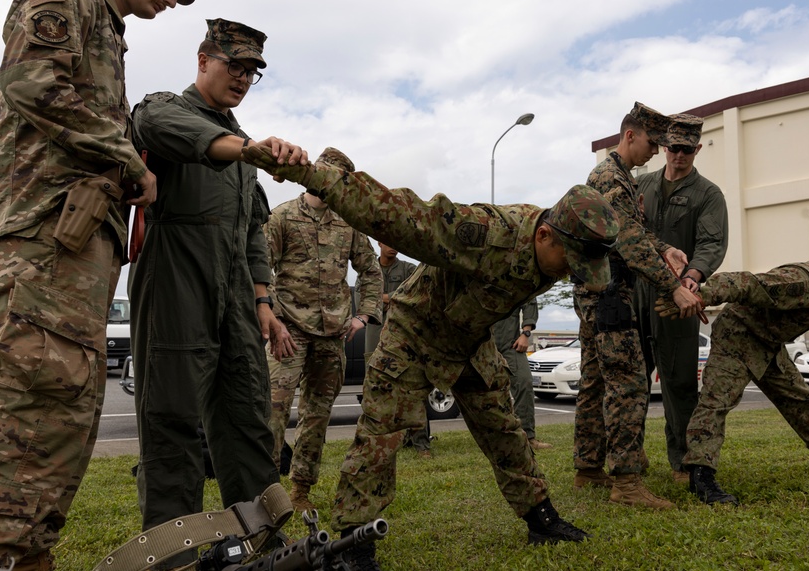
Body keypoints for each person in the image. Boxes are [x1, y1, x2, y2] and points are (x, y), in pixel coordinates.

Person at [0, 0, 195, 571]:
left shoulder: (110, 31)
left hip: (75, 244)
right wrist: (128, 161)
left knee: (69, 413)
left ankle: (24, 555)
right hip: (43, 238)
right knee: (38, 403)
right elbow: (28, 82)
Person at [242, 143, 620, 570]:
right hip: (414, 333)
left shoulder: (556, 247)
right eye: (569, 261)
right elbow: (397, 213)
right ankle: (354, 544)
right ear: (545, 234)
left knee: (505, 431)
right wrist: (309, 174)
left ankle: (541, 519)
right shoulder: (485, 232)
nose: (570, 272)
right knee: (380, 436)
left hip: (468, 339)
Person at [129, 18, 306, 569]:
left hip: (234, 297)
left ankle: (262, 547)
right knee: (174, 424)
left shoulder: (240, 150)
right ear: (203, 59)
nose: (243, 78)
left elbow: (253, 230)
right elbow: (167, 131)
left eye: (253, 71)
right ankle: (174, 557)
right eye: (235, 65)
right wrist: (249, 149)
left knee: (248, 421)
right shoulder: (163, 110)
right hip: (176, 282)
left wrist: (263, 305)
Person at [658, 258, 809, 505]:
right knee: (716, 402)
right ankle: (701, 476)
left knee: (800, 399)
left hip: (768, 344)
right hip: (738, 337)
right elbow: (747, 283)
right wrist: (702, 295)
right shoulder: (804, 281)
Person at [572, 101, 702, 511]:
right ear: (630, 135)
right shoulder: (612, 177)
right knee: (628, 384)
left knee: (594, 382)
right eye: (653, 142)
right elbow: (628, 243)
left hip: (596, 294)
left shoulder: (617, 177)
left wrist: (666, 249)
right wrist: (673, 288)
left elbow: (632, 230)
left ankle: (588, 467)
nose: (656, 151)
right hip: (610, 297)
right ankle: (626, 483)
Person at [265, 148, 383, 513]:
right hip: (288, 332)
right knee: (273, 411)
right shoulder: (282, 216)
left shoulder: (347, 223)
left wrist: (363, 316)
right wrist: (270, 318)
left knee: (317, 416)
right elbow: (259, 268)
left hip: (332, 336)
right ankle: (266, 493)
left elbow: (371, 272)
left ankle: (300, 491)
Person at [634, 113, 728, 482]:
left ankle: (682, 461)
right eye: (674, 147)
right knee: (629, 381)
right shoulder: (641, 185)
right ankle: (629, 454)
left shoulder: (708, 194)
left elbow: (711, 244)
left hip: (677, 300)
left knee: (680, 383)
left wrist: (691, 279)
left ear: (698, 148)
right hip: (634, 296)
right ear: (664, 148)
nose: (680, 155)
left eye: (688, 149)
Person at [364, 243, 429, 457]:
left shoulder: (409, 270)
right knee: (376, 390)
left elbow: (416, 295)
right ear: (380, 243)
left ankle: (421, 444)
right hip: (375, 336)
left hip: (404, 334)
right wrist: (395, 298)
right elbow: (363, 301)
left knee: (413, 389)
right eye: (388, 243)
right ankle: (378, 442)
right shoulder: (369, 269)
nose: (393, 248)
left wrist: (384, 298)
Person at [490, 300, 552, 450]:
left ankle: (528, 437)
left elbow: (529, 300)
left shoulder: (516, 277)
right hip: (483, 343)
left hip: (511, 343)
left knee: (524, 382)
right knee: (484, 391)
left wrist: (526, 333)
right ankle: (494, 438)